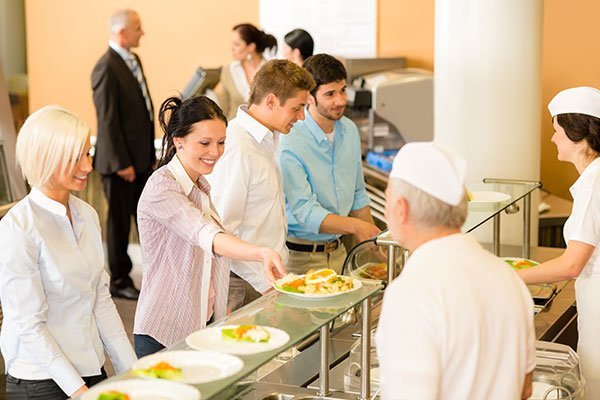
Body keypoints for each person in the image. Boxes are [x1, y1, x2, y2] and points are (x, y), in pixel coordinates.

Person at [376, 142, 535, 400]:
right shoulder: (507, 277)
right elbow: (525, 388)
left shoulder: (411, 293)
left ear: (401, 208)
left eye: (386, 199)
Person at [0, 106, 136, 400]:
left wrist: (134, 373)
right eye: (76, 158)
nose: (88, 166)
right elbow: (29, 326)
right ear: (46, 158)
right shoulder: (18, 228)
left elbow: (100, 299)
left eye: (88, 154)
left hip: (90, 367)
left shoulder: (86, 214)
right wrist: (78, 390)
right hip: (41, 379)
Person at [133, 95, 285, 357]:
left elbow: (204, 261)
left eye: (221, 142)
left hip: (197, 328)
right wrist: (261, 253)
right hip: (162, 332)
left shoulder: (201, 187)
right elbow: (208, 236)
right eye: (205, 143)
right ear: (178, 141)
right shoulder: (162, 187)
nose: (215, 152)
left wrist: (218, 306)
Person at [207, 60, 315, 311]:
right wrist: (264, 283)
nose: (301, 117)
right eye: (297, 108)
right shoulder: (237, 146)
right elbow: (222, 230)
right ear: (271, 101)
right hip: (244, 282)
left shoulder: (268, 139)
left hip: (266, 278)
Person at [518, 86, 600, 397]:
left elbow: (571, 264)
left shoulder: (593, 186)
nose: (552, 138)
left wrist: (508, 275)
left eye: (557, 131)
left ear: (578, 135)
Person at [279, 54, 380, 274]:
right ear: (310, 98)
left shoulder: (350, 130)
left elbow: (358, 193)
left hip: (340, 253)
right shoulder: (290, 141)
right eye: (330, 94)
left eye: (343, 90)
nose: (341, 100)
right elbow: (306, 211)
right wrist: (356, 227)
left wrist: (374, 245)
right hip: (300, 259)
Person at [91, 9, 155, 300]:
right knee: (118, 223)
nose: (143, 33)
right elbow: (108, 120)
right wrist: (123, 163)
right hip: (120, 164)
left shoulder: (133, 59)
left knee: (143, 217)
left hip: (139, 160)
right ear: (122, 32)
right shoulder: (105, 67)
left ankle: (147, 272)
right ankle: (118, 279)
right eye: (138, 28)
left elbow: (140, 111)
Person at [214, 23, 277, 120]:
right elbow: (223, 109)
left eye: (237, 44)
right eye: (232, 43)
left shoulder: (271, 71)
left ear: (251, 47)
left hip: (263, 130)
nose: (232, 48)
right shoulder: (229, 71)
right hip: (233, 130)